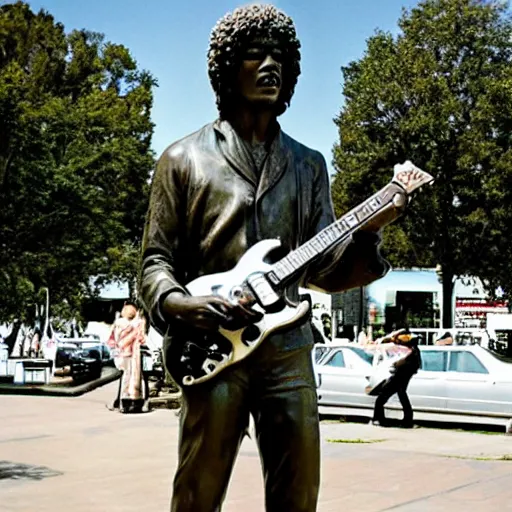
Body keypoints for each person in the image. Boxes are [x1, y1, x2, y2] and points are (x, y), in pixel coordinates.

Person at [139, 4, 391, 511]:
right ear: (227, 69)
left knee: (299, 493)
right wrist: (180, 305)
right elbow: (154, 263)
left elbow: (325, 269)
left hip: (288, 353)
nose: (271, 65)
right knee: (197, 492)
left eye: (281, 57)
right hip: (213, 350)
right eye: (256, 54)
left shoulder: (308, 165)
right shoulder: (181, 159)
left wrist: (369, 233)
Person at [371, 329, 422, 428]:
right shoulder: (413, 351)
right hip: (402, 377)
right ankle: (407, 421)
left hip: (398, 377)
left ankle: (378, 419)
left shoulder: (408, 352)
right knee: (402, 397)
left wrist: (395, 365)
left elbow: (400, 363)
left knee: (382, 398)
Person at [107, 301, 149, 413]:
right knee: (135, 379)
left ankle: (123, 404)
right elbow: (143, 339)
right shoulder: (139, 323)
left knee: (125, 378)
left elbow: (111, 340)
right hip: (134, 355)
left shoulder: (118, 323)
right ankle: (135, 403)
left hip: (122, 354)